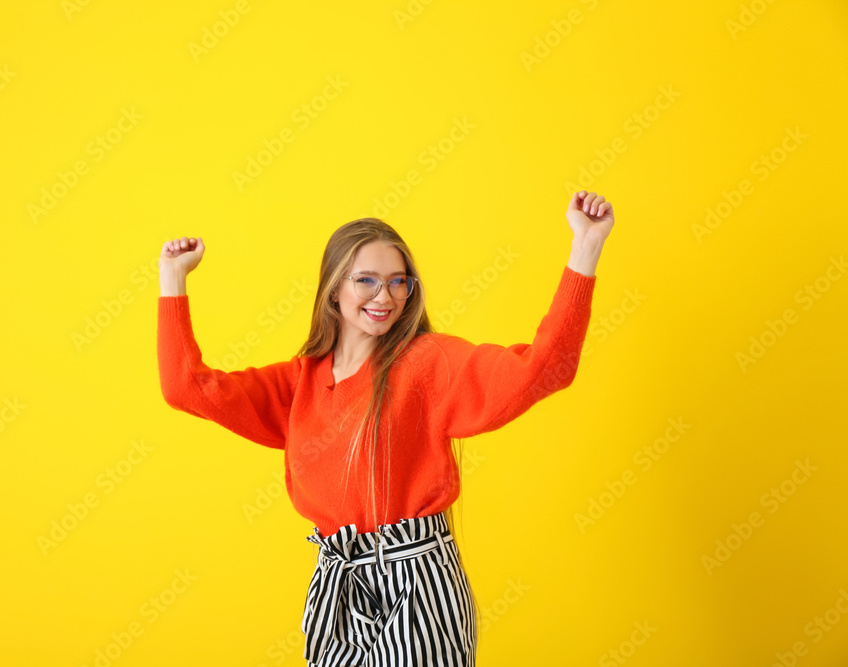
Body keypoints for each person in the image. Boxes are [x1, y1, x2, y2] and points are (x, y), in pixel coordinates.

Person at [157, 190, 614, 666]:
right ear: (333, 289)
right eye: (367, 281)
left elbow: (544, 369)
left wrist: (586, 247)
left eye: (399, 282)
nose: (386, 297)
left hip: (416, 585)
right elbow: (186, 388)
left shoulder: (425, 363)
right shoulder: (298, 383)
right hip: (338, 585)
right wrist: (173, 278)